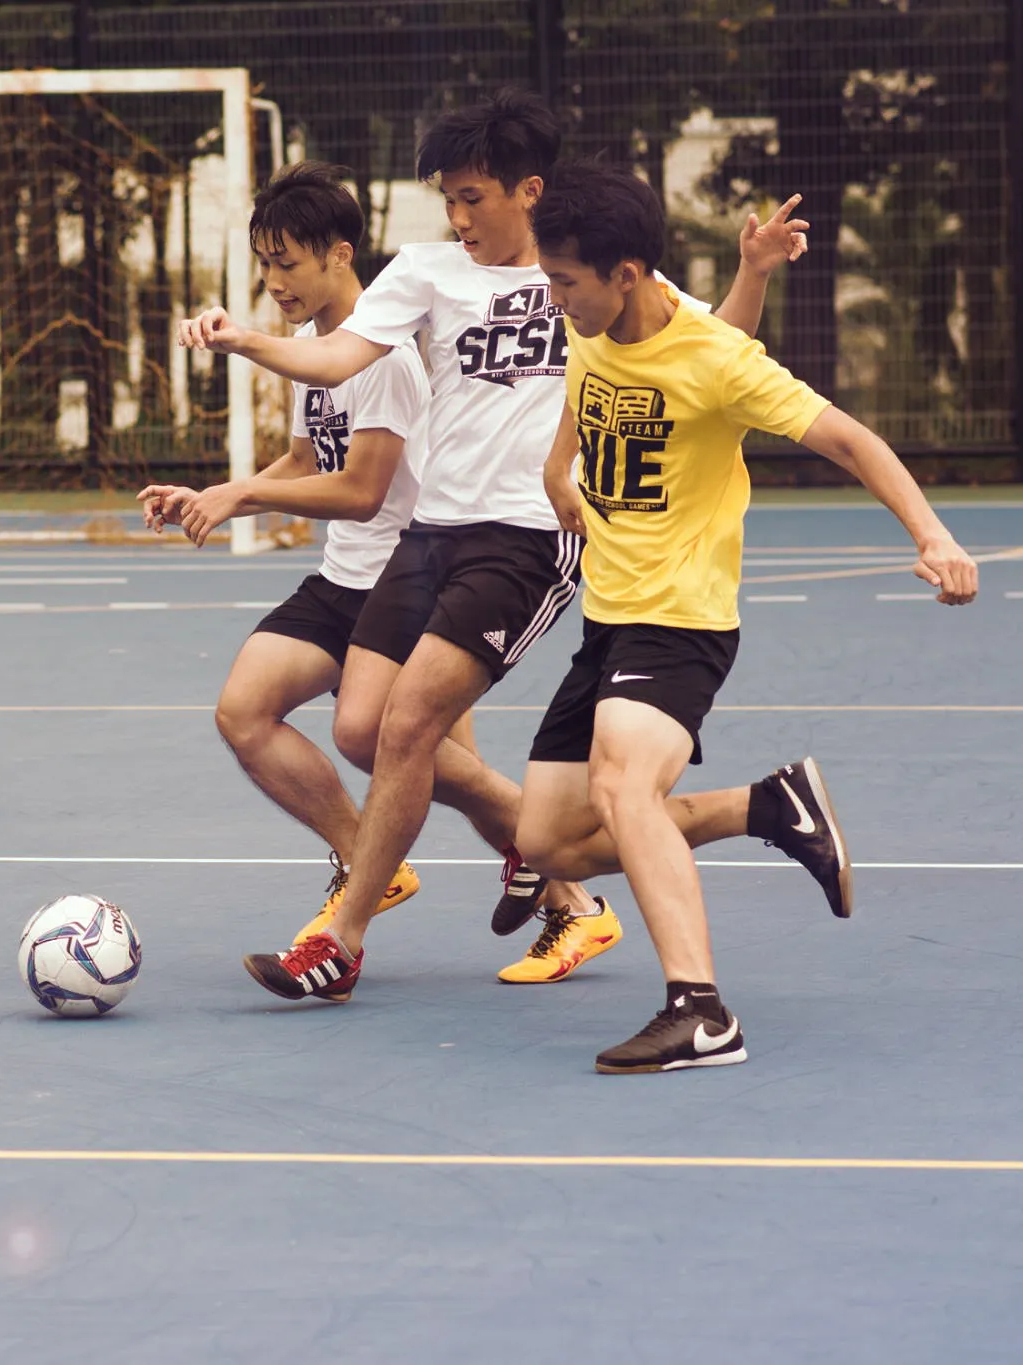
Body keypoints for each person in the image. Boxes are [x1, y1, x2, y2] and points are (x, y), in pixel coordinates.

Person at [179, 91, 806, 1001]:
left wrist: (752, 271)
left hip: (528, 538)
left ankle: (343, 940)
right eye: (449, 198)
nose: (457, 216)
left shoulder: (590, 273)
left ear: (529, 190)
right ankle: (541, 855)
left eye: (473, 196)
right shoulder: (428, 271)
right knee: (362, 729)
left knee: (408, 724)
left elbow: (716, 348)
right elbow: (336, 358)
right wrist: (248, 341)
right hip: (434, 531)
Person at [517, 159, 978, 1072]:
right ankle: (770, 804)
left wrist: (934, 535)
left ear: (627, 274)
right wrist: (557, 472)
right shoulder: (597, 319)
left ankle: (700, 1009)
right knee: (549, 837)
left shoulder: (719, 361)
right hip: (608, 615)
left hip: (682, 617)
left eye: (565, 281)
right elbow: (619, 383)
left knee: (622, 787)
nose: (554, 296)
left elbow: (844, 434)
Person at [137, 162, 437, 942]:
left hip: (408, 585)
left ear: (340, 254)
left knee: (448, 775)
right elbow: (308, 462)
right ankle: (366, 858)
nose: (273, 281)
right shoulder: (311, 343)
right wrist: (212, 491)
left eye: (287, 262)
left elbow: (364, 489)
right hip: (345, 578)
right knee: (243, 710)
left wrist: (243, 498)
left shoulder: (385, 354)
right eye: (264, 263)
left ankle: (570, 898)